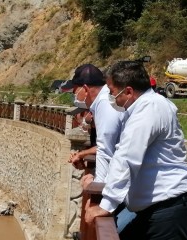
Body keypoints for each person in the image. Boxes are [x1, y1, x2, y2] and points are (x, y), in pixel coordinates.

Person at [85, 60, 187, 240]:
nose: (111, 98)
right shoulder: (150, 105)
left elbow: (127, 157)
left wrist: (106, 205)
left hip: (170, 214)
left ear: (128, 91)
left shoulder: (149, 108)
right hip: (160, 211)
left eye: (112, 92)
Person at [68, 64, 135, 238]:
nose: (74, 96)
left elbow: (106, 150)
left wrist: (95, 191)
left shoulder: (105, 104)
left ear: (84, 88)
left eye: (74, 91)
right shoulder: (103, 103)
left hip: (130, 188)